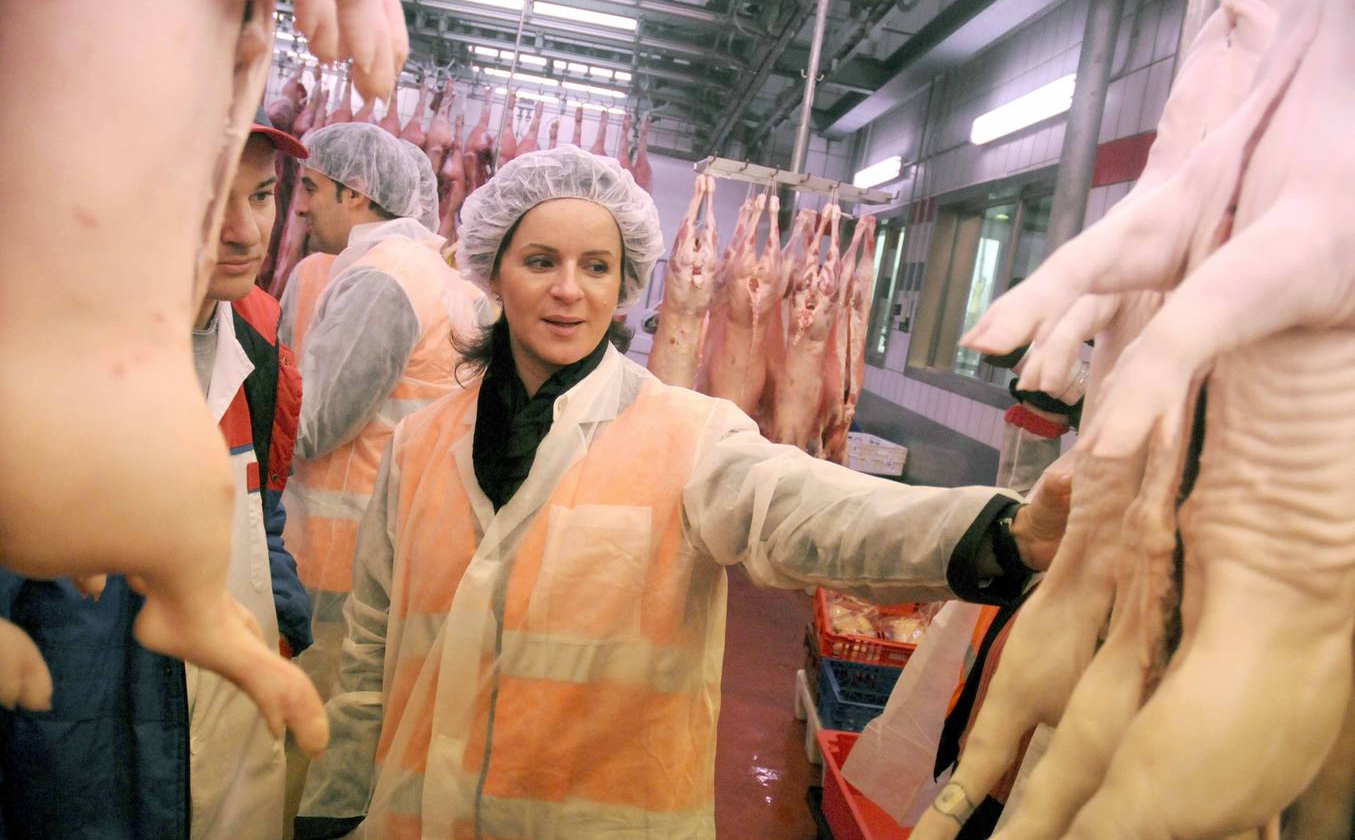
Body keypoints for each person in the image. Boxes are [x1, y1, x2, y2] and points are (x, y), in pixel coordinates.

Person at [292, 146, 1072, 838]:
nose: (569, 291)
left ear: (624, 282)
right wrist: (336, 801)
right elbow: (367, 649)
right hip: (414, 817)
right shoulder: (420, 444)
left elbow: (816, 513)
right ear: (494, 269)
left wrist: (1005, 534)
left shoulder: (687, 434)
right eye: (540, 262)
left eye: (595, 267)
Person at [0, 112, 314, 838]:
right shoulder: (45, 370)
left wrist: (283, 626)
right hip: (78, 759)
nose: (244, 232)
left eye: (262, 196)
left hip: (223, 741)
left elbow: (259, 515)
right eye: (205, 204)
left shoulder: (261, 350)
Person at [277, 121, 488, 820]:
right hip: (403, 553)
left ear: (357, 192)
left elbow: (314, 424)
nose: (300, 206)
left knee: (311, 743)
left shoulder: (381, 279)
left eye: (310, 188)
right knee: (365, 740)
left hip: (338, 558)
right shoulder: (443, 280)